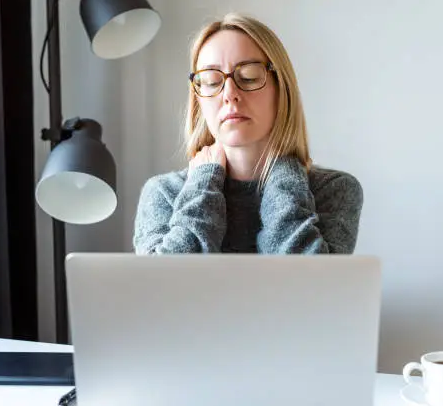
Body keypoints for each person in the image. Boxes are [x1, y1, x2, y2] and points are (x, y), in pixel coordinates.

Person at [133, 13, 363, 254]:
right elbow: (162, 287)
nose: (229, 94)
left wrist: (284, 172)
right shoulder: (163, 192)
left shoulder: (334, 190)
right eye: (211, 81)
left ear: (281, 89)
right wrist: (202, 185)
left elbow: (310, 284)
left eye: (249, 77)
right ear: (199, 98)